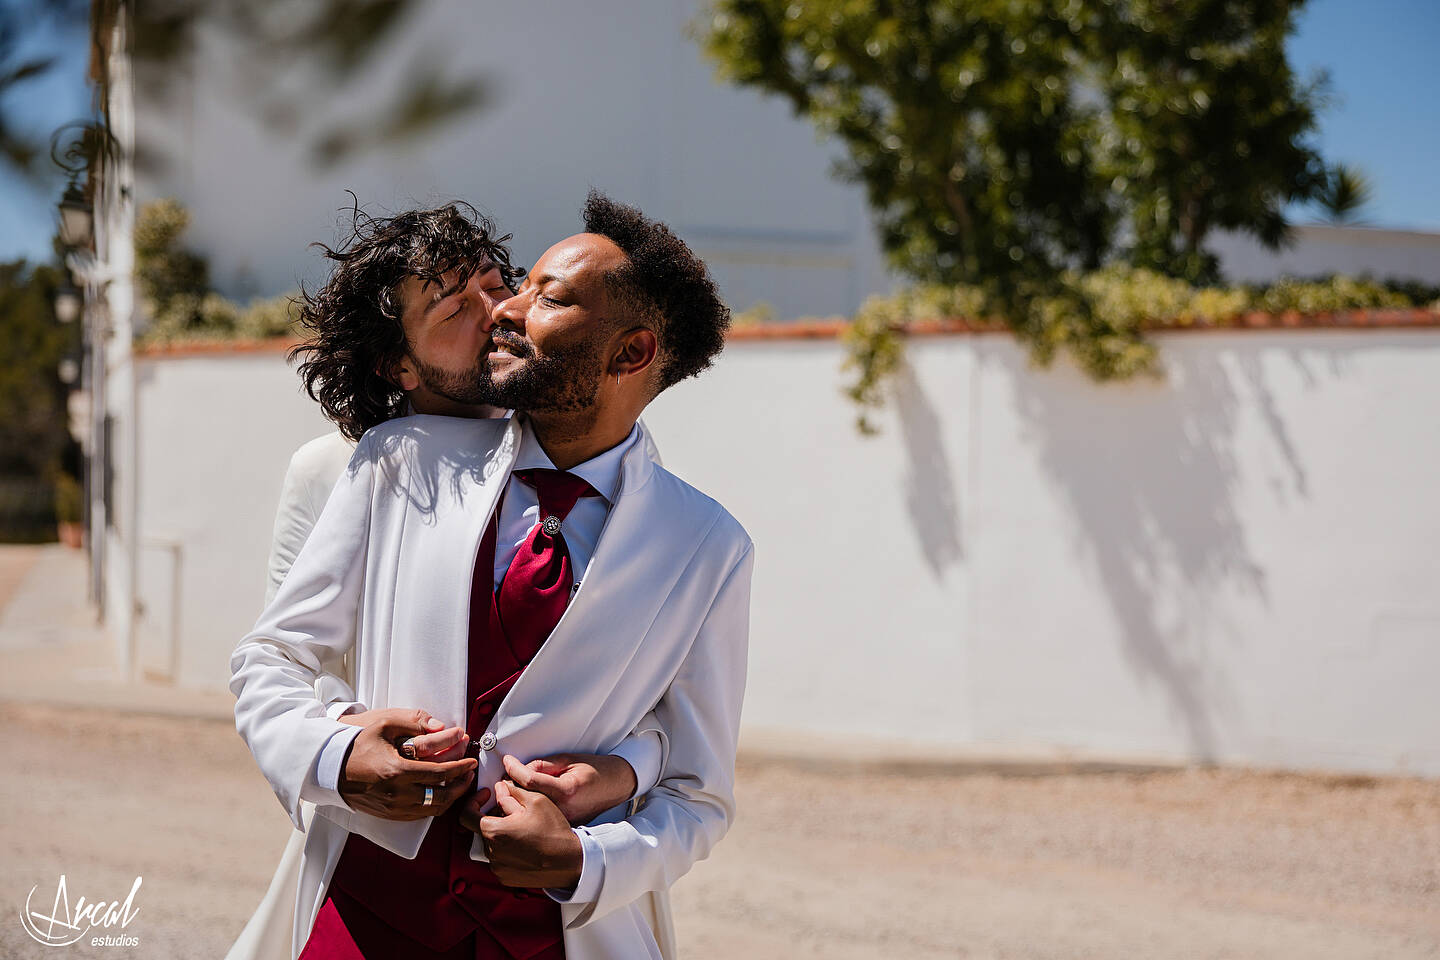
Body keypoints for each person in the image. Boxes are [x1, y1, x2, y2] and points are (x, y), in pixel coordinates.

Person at [231, 191, 752, 959]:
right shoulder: (398, 460)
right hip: (365, 906)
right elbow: (274, 658)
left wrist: (589, 856)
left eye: (548, 295)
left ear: (631, 353)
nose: (506, 307)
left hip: (557, 931)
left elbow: (698, 792)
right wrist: (338, 755)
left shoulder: (704, 542)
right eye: (520, 284)